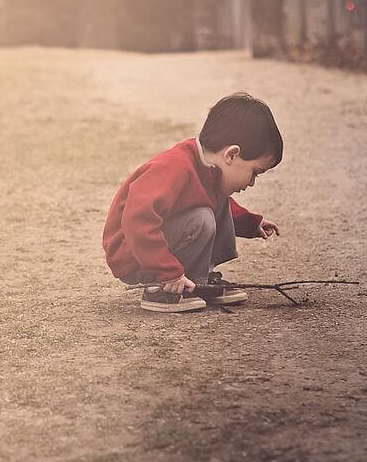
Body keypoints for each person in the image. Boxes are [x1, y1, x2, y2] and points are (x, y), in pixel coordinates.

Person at [102, 93, 283, 312]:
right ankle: (160, 289)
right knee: (201, 218)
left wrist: (250, 222)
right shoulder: (174, 167)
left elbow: (216, 201)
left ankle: (197, 281)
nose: (252, 182)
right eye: (255, 172)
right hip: (133, 255)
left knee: (211, 207)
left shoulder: (208, 169)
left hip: (152, 248)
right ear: (231, 155)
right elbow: (137, 219)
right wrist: (168, 271)